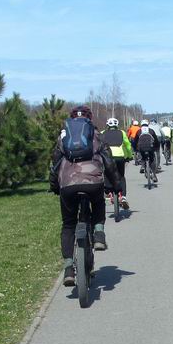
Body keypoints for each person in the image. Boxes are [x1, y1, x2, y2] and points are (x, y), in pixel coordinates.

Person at [50, 105, 120, 287]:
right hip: (93, 181)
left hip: (68, 184)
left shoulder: (63, 136)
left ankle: (68, 269)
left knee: (68, 225)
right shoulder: (96, 135)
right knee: (98, 203)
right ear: (89, 119)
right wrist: (115, 183)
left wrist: (55, 185)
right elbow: (109, 161)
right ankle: (98, 234)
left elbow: (55, 162)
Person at [101, 117, 133, 209]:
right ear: (117, 125)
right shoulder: (122, 133)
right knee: (121, 176)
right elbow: (127, 145)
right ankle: (123, 196)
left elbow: (99, 146)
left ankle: (107, 191)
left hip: (108, 158)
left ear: (107, 125)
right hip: (119, 157)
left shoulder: (103, 133)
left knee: (106, 174)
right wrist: (130, 156)